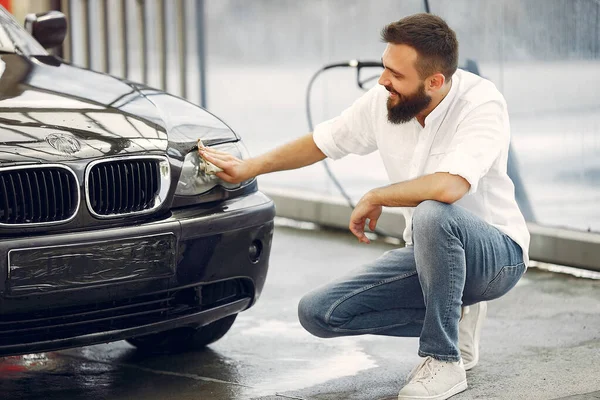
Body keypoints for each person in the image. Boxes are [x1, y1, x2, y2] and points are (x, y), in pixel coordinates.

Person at [198, 13, 529, 400]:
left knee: (432, 212)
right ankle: (452, 314)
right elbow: (324, 141)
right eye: (384, 67)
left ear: (435, 82)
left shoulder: (481, 102)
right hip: (428, 255)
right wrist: (247, 168)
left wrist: (376, 195)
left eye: (396, 74)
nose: (382, 81)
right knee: (319, 313)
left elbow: (449, 186)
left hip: (497, 256)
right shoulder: (384, 100)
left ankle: (442, 360)